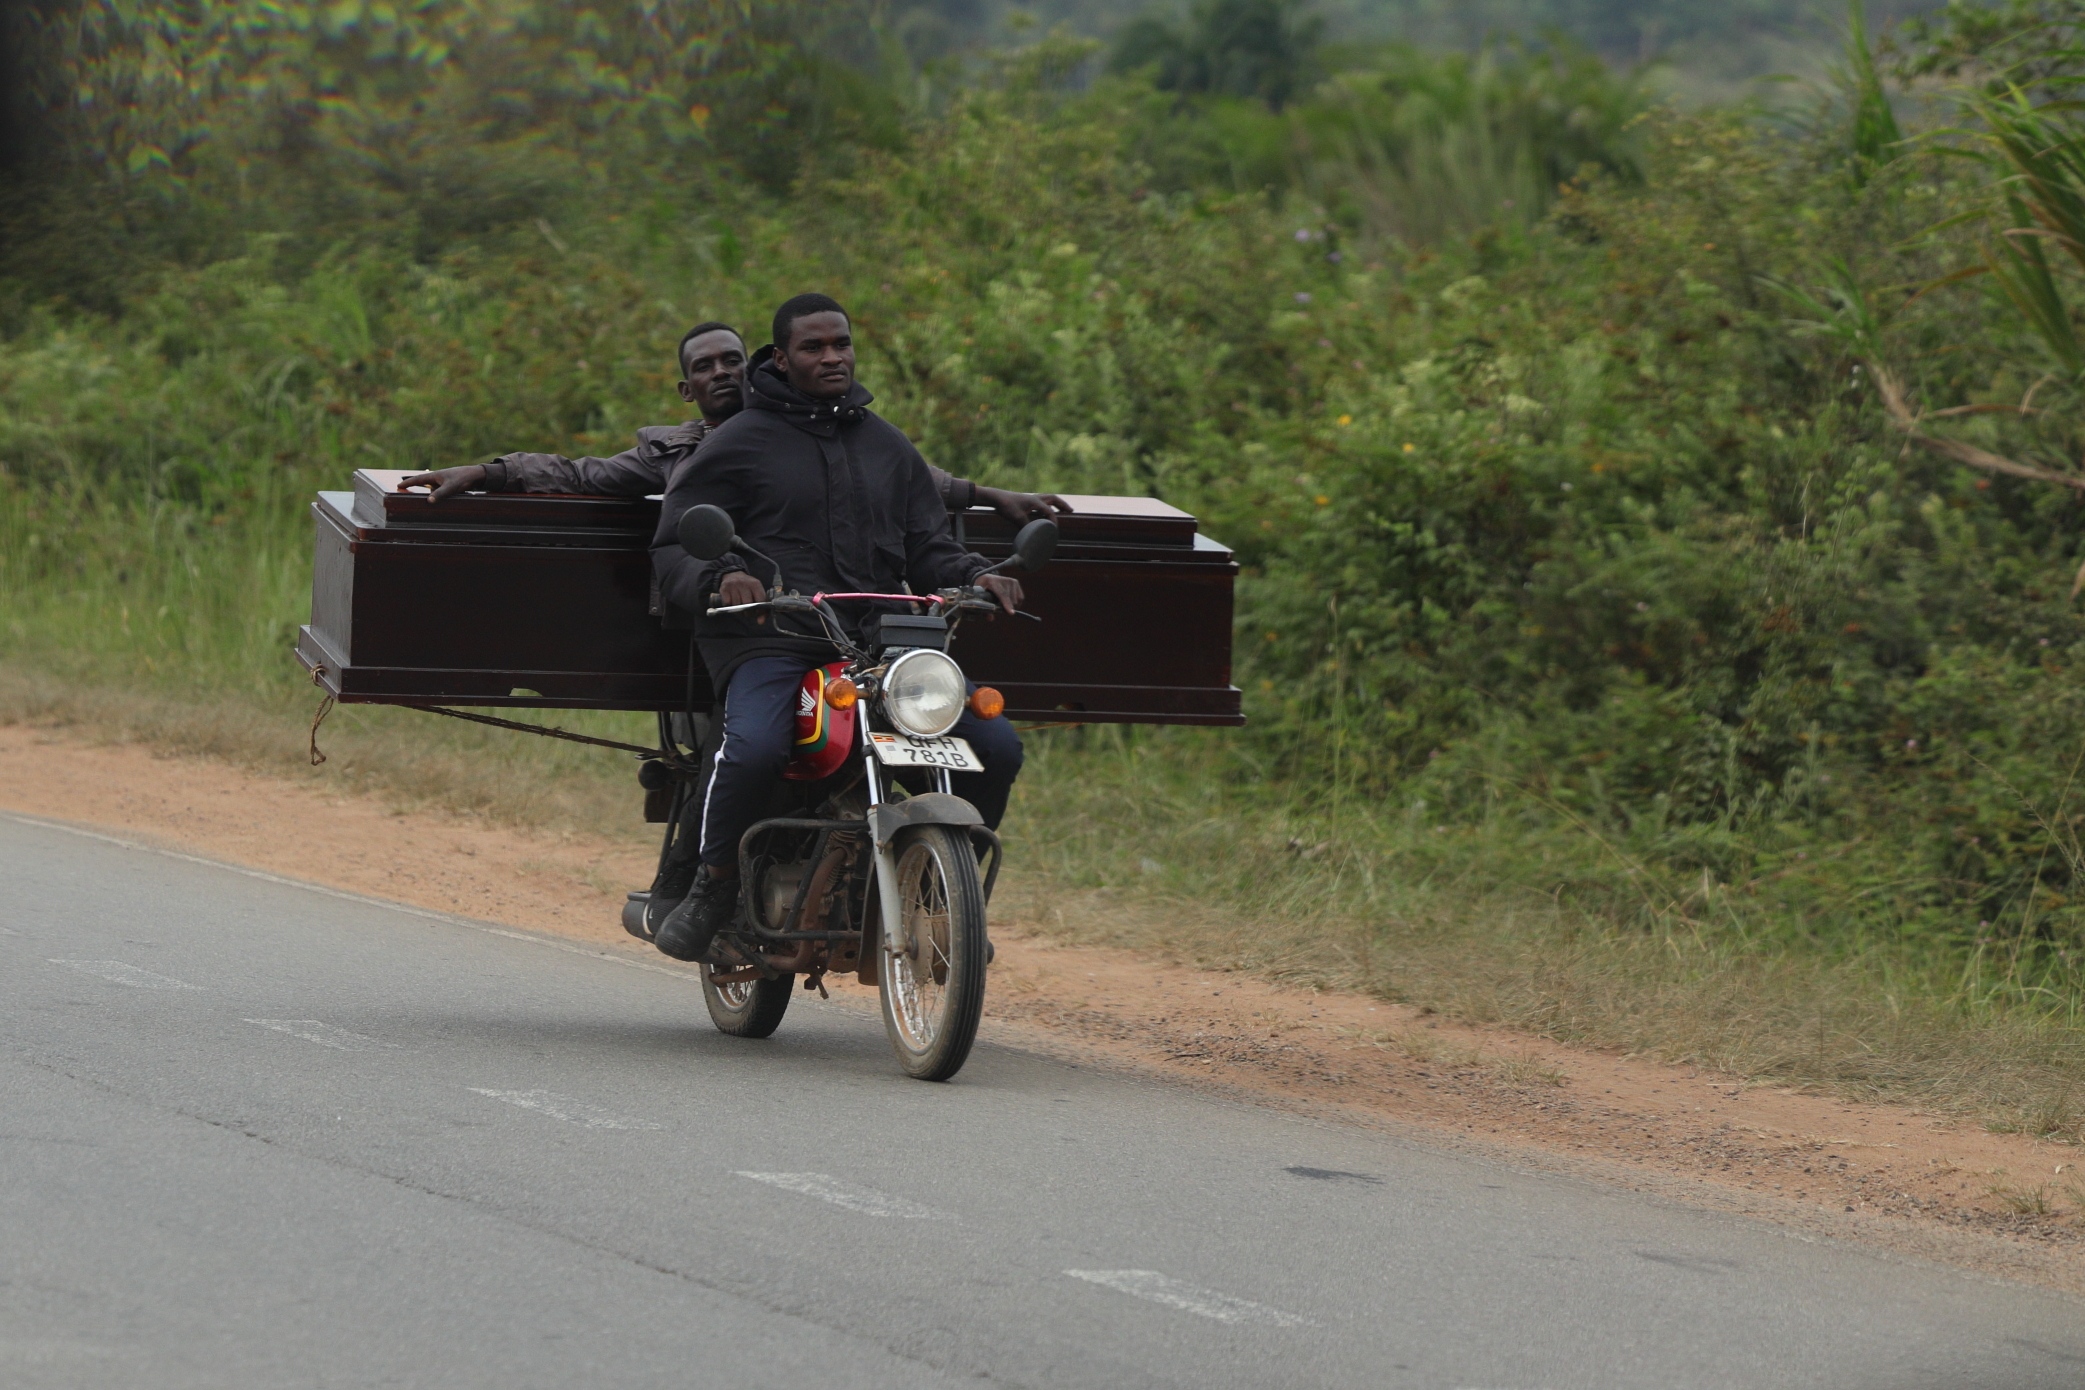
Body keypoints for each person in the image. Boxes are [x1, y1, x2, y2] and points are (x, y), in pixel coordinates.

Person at [647, 293, 1028, 963]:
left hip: (879, 646)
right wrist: (722, 577)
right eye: (813, 348)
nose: (832, 357)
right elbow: (679, 541)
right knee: (756, 747)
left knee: (993, 743)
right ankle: (712, 885)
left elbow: (927, 544)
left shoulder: (886, 445)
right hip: (772, 639)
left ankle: (947, 901)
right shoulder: (739, 441)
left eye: (841, 344)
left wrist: (974, 574)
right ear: (783, 359)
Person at [396, 322, 1068, 525]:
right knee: (736, 752)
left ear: (757, 369)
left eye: (732, 360)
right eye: (706, 367)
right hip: (729, 615)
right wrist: (487, 471)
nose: (722, 372)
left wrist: (988, 495)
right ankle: (702, 867)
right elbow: (578, 474)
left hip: (829, 604)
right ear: (687, 390)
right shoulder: (674, 450)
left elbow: (903, 472)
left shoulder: (806, 425)